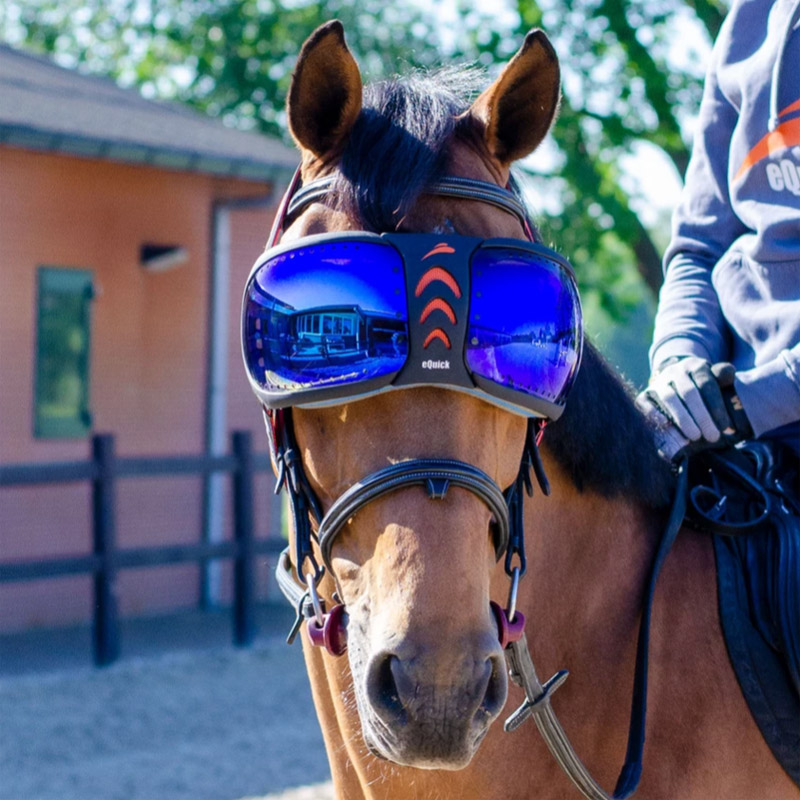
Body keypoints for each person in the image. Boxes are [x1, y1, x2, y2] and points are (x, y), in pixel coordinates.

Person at [637, 0, 800, 467]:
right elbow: (698, 248)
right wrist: (678, 363)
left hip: (750, 410)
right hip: (736, 430)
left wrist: (753, 402)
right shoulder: (746, 23)